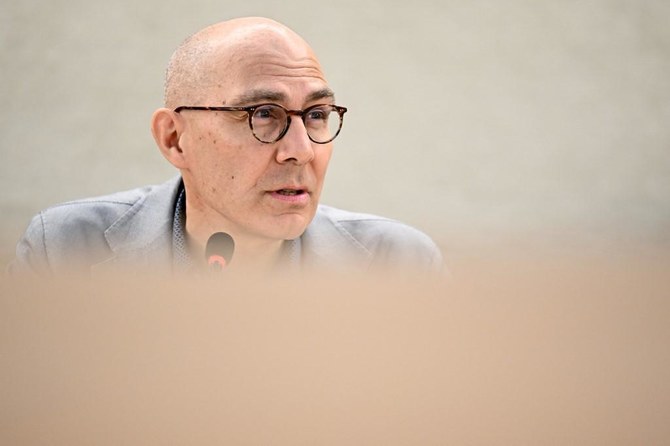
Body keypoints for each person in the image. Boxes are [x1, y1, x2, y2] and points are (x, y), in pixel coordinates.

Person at [9, 17, 442, 276]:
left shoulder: (397, 264)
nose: (301, 150)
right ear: (175, 139)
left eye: (316, 115)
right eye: (263, 114)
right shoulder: (68, 249)